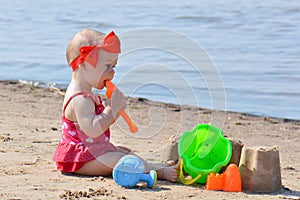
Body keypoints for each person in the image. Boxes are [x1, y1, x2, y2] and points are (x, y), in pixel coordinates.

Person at [52, 29, 178, 182]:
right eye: (107, 66)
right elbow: (92, 130)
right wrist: (112, 110)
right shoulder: (79, 98)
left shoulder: (86, 91)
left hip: (93, 151)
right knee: (121, 160)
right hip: (80, 159)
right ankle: (161, 172)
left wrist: (107, 108)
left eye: (114, 66)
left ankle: (154, 166)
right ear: (84, 65)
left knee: (125, 153)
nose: (112, 72)